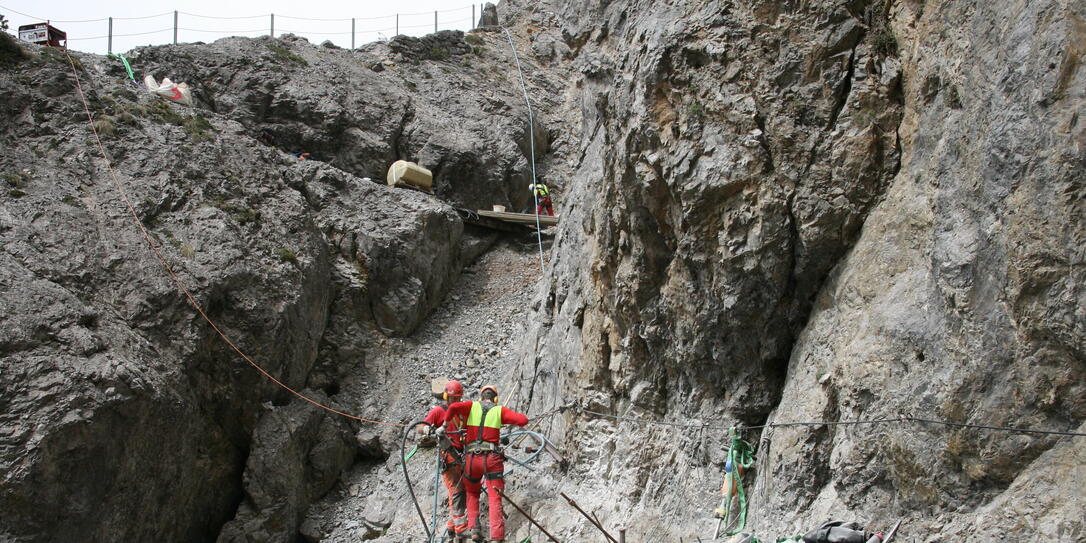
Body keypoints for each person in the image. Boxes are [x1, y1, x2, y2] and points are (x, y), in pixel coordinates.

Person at [443, 385, 528, 543]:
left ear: (481, 397)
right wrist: (505, 419)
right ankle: (497, 537)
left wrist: (443, 425)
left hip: (471, 459)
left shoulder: (472, 406)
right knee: (495, 497)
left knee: (472, 493)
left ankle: (474, 530)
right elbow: (523, 420)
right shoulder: (499, 410)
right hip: (491, 459)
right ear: (495, 398)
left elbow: (453, 406)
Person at [419, 380, 470, 541]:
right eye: (452, 399)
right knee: (457, 492)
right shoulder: (438, 412)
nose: (455, 402)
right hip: (449, 457)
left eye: (457, 399)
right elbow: (420, 427)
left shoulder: (463, 411)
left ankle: (451, 527)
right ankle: (461, 531)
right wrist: (427, 428)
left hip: (463, 455)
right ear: (446, 397)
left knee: (461, 491)